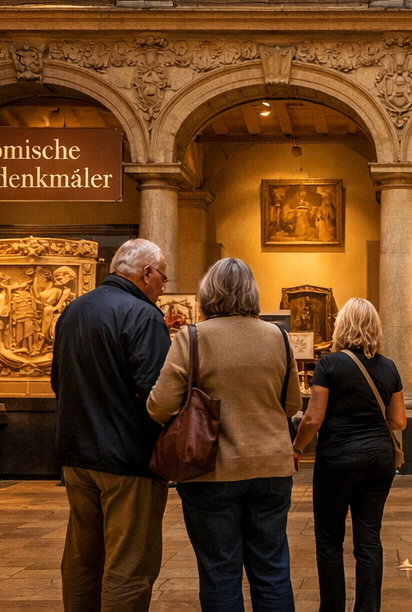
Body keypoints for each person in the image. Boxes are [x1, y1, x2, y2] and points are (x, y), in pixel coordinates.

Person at [149, 258, 302, 612]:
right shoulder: (277, 336)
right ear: (252, 292)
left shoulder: (192, 337)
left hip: (210, 471)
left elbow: (159, 406)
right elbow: (292, 402)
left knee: (220, 573)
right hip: (271, 469)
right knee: (273, 569)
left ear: (208, 292)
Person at [51, 238, 172, 612]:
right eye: (162, 278)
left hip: (76, 458)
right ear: (146, 272)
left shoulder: (73, 310)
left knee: (82, 557)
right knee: (130, 563)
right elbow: (156, 394)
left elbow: (57, 381)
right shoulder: (143, 315)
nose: (163, 287)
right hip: (127, 462)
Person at [292, 298, 406, 612]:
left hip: (337, 459)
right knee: (369, 538)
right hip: (379, 459)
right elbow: (399, 421)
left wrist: (297, 447)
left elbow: (313, 418)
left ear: (342, 326)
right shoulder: (388, 367)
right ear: (375, 327)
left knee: (329, 540)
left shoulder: (329, 364)